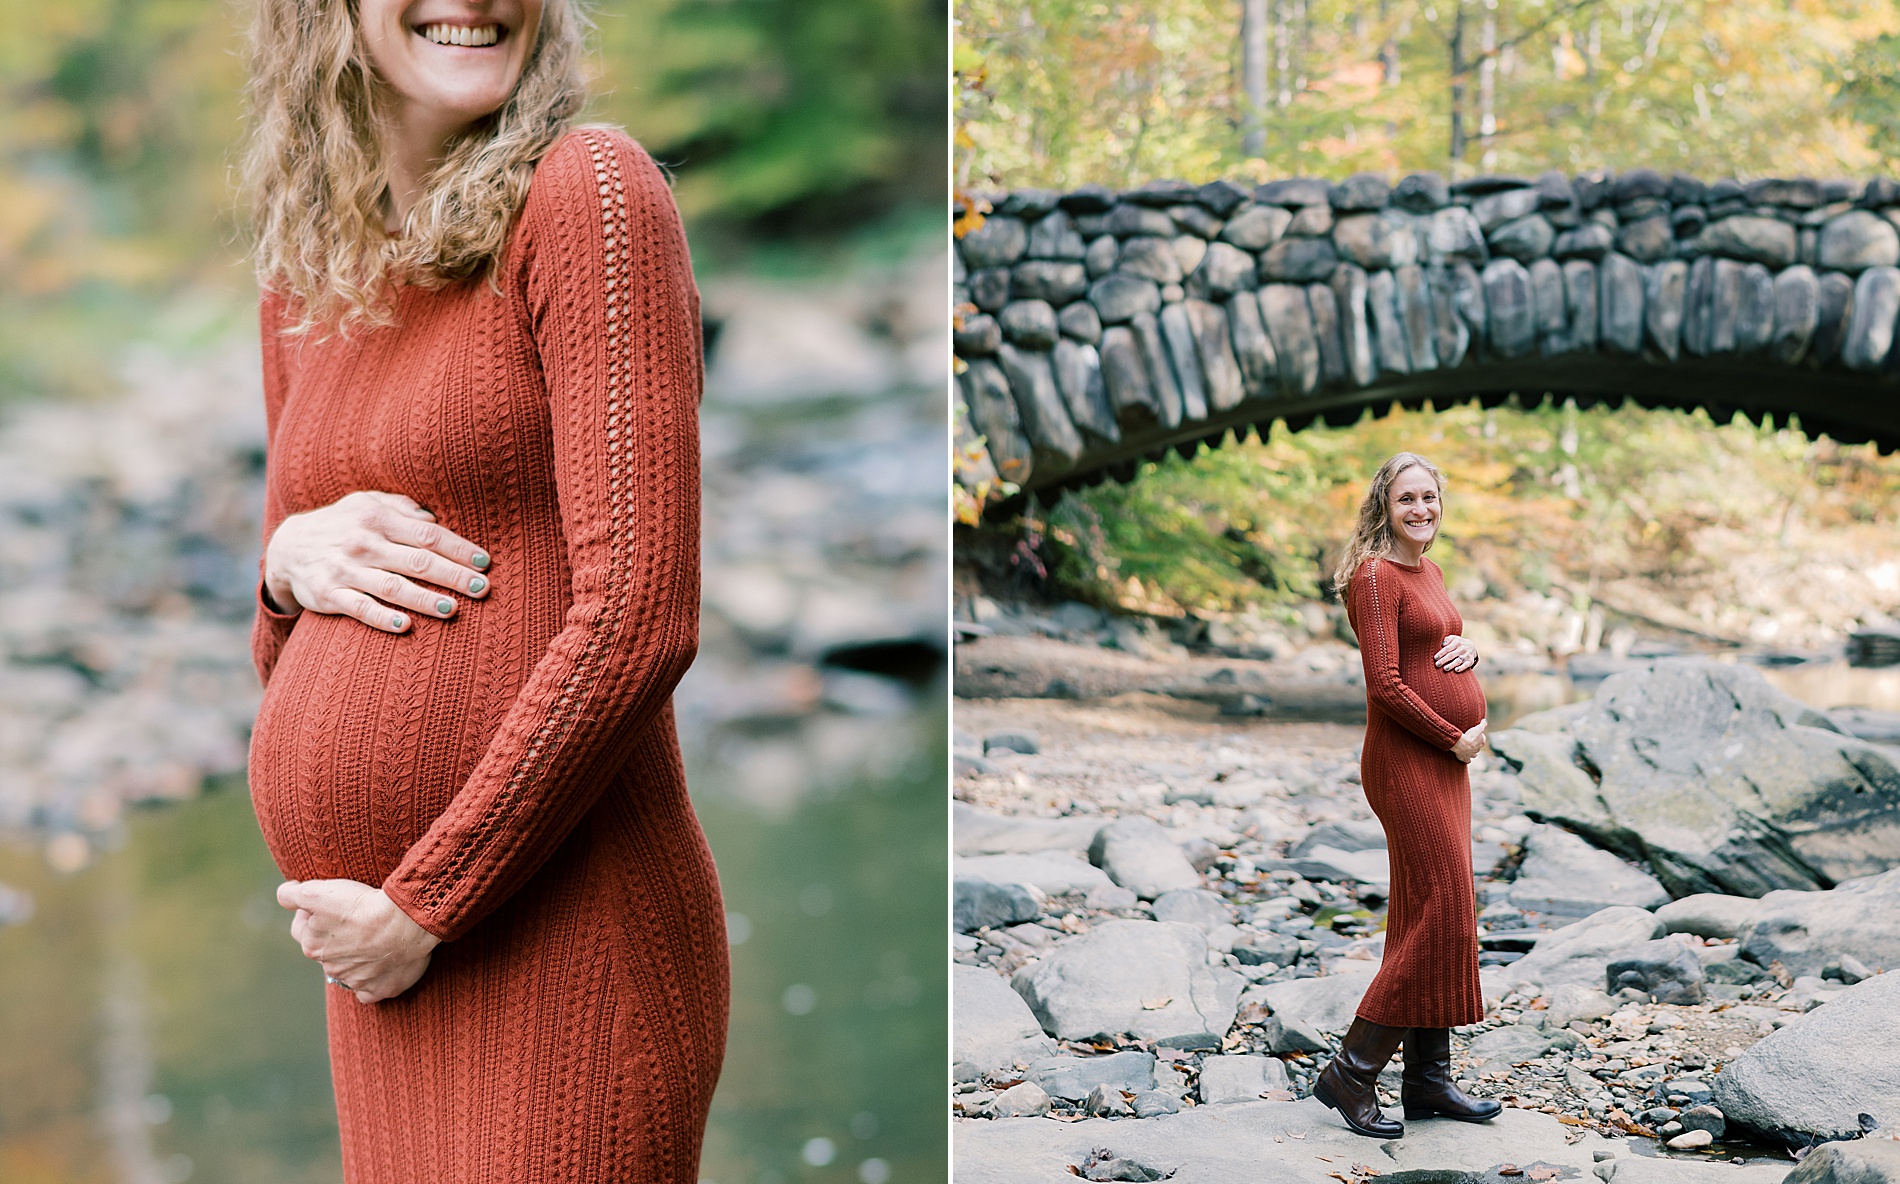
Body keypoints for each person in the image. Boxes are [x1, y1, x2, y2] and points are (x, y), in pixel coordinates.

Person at [241, 1, 728, 1179]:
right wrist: (282, 567)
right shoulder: (311, 269)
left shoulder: (587, 193)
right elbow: (284, 652)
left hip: (547, 934)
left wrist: (427, 901)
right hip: (380, 972)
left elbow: (643, 613)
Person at [1311, 451, 1498, 1139]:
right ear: (1383, 508)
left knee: (1434, 906)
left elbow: (1432, 648)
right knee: (1443, 908)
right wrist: (1454, 734)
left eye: (1430, 497)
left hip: (1445, 763)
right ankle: (1352, 1073)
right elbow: (1385, 684)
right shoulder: (1373, 577)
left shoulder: (1431, 572)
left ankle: (1427, 1081)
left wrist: (1467, 649)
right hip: (1407, 761)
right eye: (1407, 499)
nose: (1421, 509)